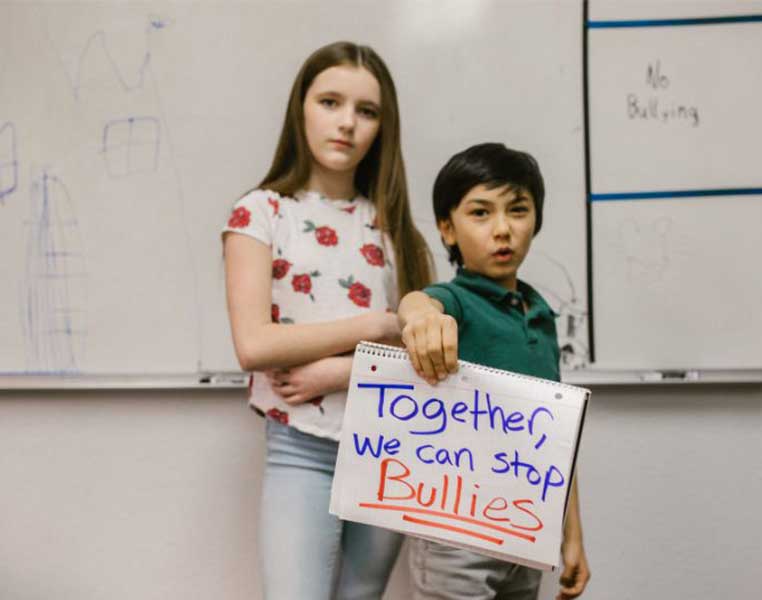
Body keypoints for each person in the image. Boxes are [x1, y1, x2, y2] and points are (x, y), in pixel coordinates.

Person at [222, 41, 433, 599]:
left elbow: (429, 361)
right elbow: (254, 345)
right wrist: (379, 325)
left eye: (367, 111)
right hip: (301, 448)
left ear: (383, 127)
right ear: (301, 109)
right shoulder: (261, 213)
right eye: (330, 102)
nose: (347, 123)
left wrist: (334, 374)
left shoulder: (397, 232)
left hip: (389, 445)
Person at [397, 143, 590, 600]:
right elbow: (415, 304)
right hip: (455, 535)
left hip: (525, 529)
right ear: (447, 228)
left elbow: (558, 437)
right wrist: (421, 317)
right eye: (480, 213)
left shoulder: (540, 315)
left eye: (518, 210)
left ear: (535, 221)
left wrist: (572, 537)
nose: (502, 229)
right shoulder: (455, 301)